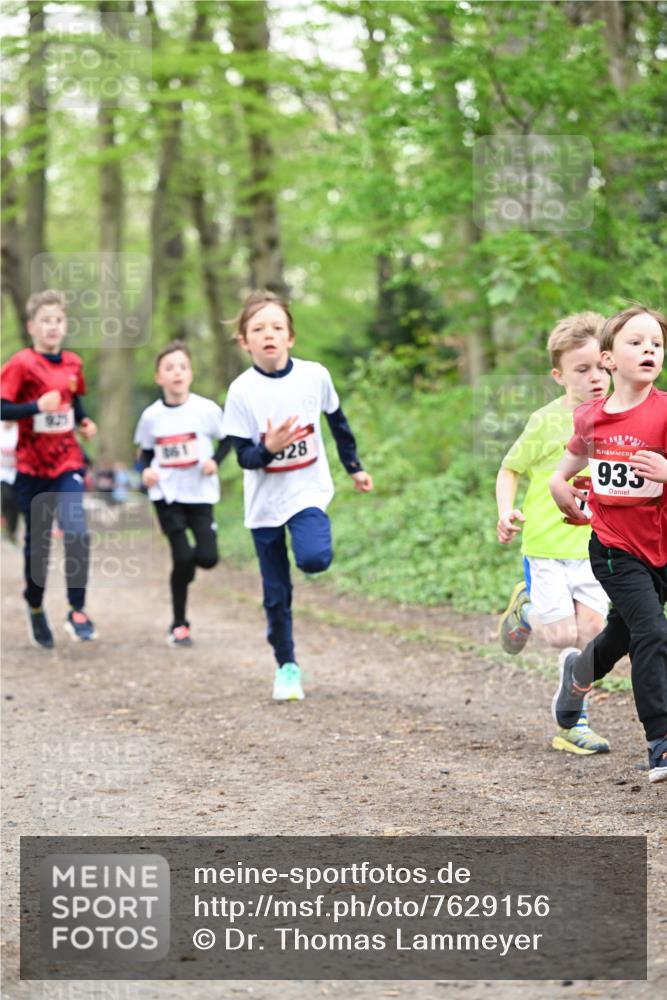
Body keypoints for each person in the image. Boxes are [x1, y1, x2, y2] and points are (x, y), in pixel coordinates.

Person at [221, 289, 373, 701]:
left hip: (307, 490)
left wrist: (354, 467)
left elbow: (339, 425)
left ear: (290, 337)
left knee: (314, 558)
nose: (268, 334)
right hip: (264, 504)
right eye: (258, 329)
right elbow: (245, 458)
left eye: (277, 327)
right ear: (244, 341)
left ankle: (310, 545)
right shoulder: (241, 392)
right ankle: (286, 666)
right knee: (276, 594)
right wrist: (269, 447)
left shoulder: (314, 376)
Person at [549, 305, 667, 784]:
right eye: (636, 342)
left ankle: (578, 675)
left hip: (662, 544)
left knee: (623, 633)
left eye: (656, 343)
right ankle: (661, 742)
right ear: (609, 359)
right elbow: (570, 464)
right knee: (652, 633)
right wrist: (559, 486)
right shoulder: (591, 418)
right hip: (615, 549)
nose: (649, 350)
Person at [496, 312, 611, 754]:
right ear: (559, 375)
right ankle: (526, 609)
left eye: (601, 366)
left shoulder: (622, 417)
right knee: (562, 636)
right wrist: (506, 511)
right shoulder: (545, 422)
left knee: (592, 631)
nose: (595, 377)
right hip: (546, 547)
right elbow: (510, 469)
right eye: (582, 370)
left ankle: (574, 722)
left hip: (598, 546)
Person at [0, 289, 97, 646]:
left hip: (67, 462)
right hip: (31, 468)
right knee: (38, 549)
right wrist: (35, 407)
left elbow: (75, 401)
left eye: (58, 320)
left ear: (65, 325)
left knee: (77, 532)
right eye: (45, 321)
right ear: (32, 327)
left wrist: (84, 422)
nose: (52, 327)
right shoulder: (21, 364)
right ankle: (36, 606)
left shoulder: (73, 363)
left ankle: (77, 609)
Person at [134, 340, 230, 647]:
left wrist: (215, 461)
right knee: (182, 556)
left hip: (200, 493)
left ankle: (185, 569)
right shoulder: (151, 416)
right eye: (169, 368)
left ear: (190, 374)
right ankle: (179, 623)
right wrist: (145, 471)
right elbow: (145, 453)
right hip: (167, 495)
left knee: (207, 558)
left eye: (183, 367)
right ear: (158, 377)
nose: (177, 372)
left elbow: (228, 438)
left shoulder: (206, 409)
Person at [1, 421, 20, 543]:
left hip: (17, 474)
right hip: (2, 474)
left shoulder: (20, 430)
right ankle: (5, 523)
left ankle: (12, 531)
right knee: (6, 498)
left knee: (15, 503)